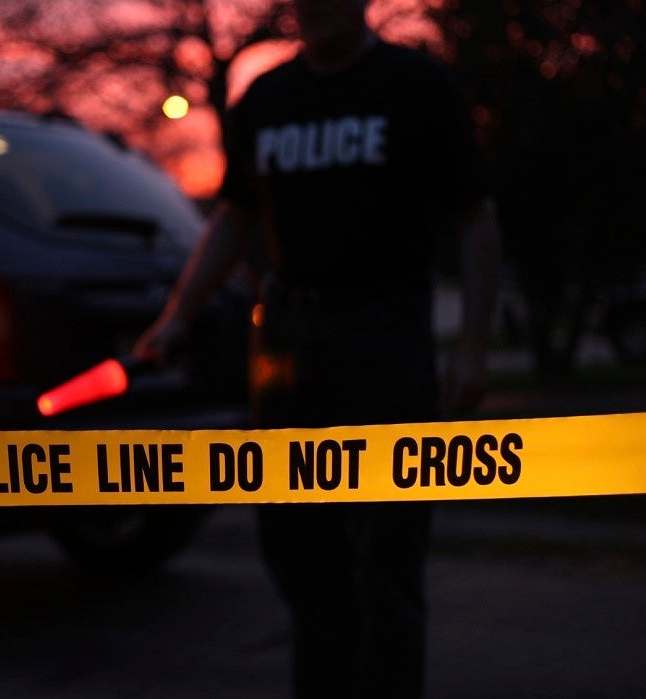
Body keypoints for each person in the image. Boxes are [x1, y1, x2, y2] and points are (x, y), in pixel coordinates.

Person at [134, 1, 502, 696]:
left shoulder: (414, 84)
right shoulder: (268, 98)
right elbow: (234, 218)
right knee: (298, 548)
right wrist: (177, 314)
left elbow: (476, 218)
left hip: (386, 335)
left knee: (388, 551)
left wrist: (474, 348)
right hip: (289, 346)